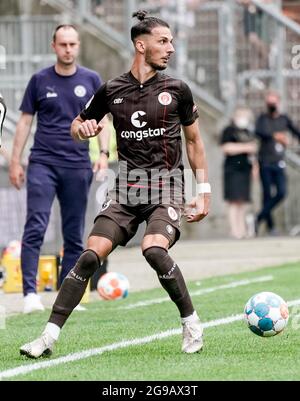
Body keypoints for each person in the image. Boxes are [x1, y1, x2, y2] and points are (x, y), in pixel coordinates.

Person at [19, 10, 211, 358]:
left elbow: (195, 142)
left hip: (166, 186)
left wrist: (204, 191)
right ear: (141, 45)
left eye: (171, 41)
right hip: (126, 188)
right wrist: (85, 130)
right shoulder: (111, 89)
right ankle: (47, 337)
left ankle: (191, 321)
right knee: (90, 255)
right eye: (163, 41)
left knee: (153, 249)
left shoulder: (177, 89)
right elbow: (77, 125)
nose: (171, 48)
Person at [9, 25, 110, 314]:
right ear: (54, 46)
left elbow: (103, 120)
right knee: (36, 226)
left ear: (78, 46)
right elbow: (25, 123)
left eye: (72, 44)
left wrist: (102, 153)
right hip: (42, 162)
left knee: (74, 233)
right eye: (63, 44)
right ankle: (30, 294)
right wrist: (16, 161)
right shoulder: (39, 80)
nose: (68, 49)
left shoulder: (91, 79)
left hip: (78, 165)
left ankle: (67, 296)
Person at [255, 90, 300, 235]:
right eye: (269, 102)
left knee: (281, 192)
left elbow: (296, 132)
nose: (271, 104)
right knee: (267, 194)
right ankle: (271, 227)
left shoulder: (284, 119)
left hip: (279, 162)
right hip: (265, 162)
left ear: (278, 102)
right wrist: (276, 135)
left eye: (273, 102)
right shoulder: (262, 119)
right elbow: (258, 132)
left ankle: (259, 217)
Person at [220, 106, 257, 239]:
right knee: (233, 201)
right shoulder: (228, 131)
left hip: (245, 169)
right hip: (232, 169)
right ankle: (234, 230)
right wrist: (246, 147)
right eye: (241, 115)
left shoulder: (248, 132)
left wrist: (255, 167)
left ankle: (242, 230)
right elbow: (226, 148)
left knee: (242, 201)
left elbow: (253, 151)